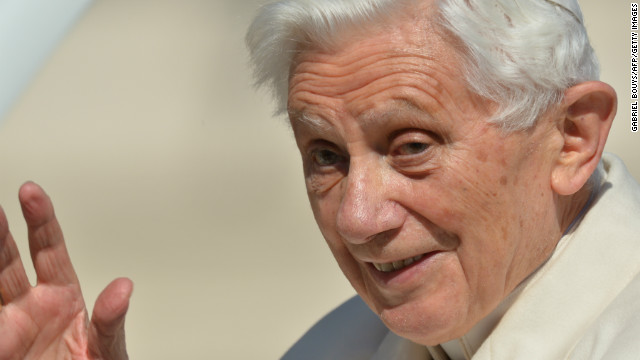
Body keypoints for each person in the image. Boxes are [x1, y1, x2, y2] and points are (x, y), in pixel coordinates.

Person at [0, 0, 638, 359]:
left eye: (412, 146)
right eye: (326, 156)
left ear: (571, 138)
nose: (358, 218)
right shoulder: (336, 349)